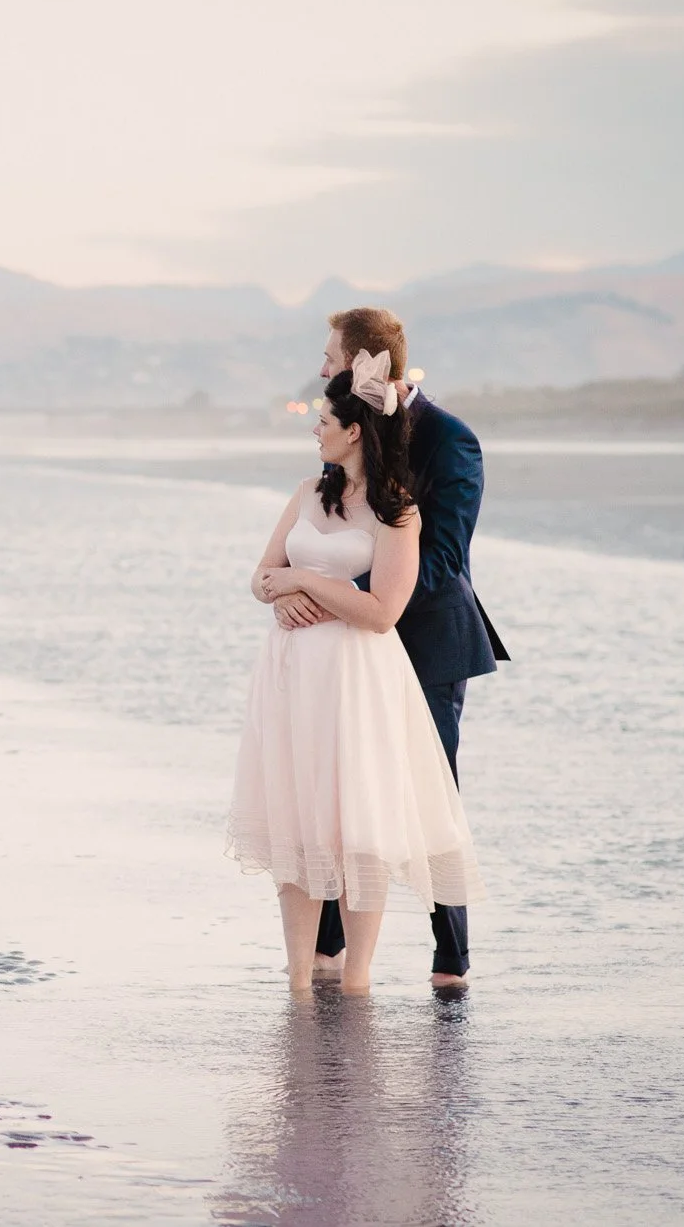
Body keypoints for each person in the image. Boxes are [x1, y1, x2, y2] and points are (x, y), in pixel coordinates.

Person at [227, 347, 482, 994]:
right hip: (292, 673)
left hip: (356, 676)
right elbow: (260, 575)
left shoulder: (397, 510)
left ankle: (358, 981)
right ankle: (297, 982)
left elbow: (381, 610)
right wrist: (281, 593)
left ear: (355, 431)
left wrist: (304, 579)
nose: (315, 428)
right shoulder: (308, 492)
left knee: (359, 826)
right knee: (298, 820)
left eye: (325, 419)